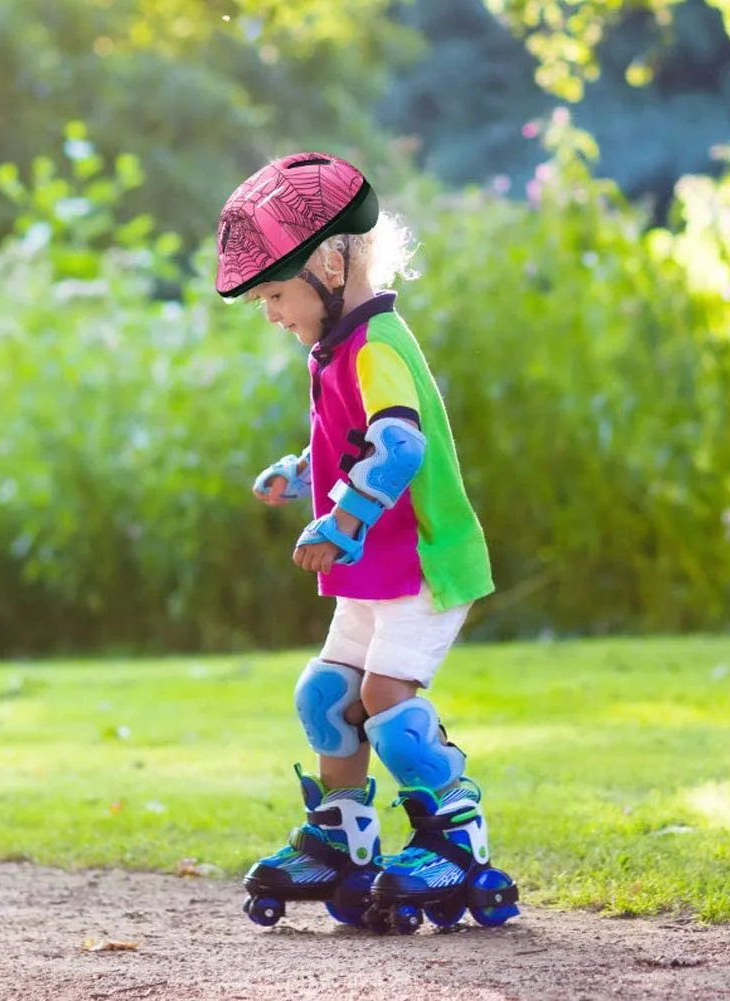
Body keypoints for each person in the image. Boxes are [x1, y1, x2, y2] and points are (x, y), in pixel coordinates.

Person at [215, 152, 518, 932]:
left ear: (329, 261)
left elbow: (398, 449)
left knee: (385, 699)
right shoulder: (339, 349)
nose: (271, 313)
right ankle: (341, 839)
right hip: (370, 572)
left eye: (275, 294)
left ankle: (456, 838)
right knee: (324, 695)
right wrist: (301, 475)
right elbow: (349, 442)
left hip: (420, 559)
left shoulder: (378, 344)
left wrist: (338, 520)